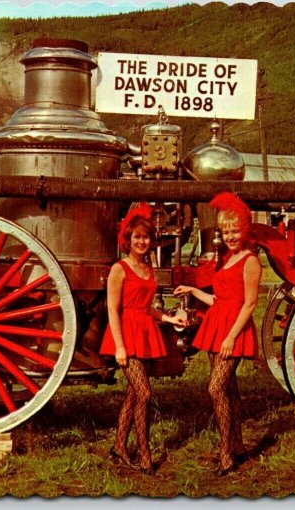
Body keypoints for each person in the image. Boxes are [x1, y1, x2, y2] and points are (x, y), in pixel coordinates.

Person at [173, 192, 261, 475]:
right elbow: (220, 300)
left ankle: (226, 455)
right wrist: (194, 291)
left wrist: (231, 338)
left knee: (215, 388)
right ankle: (236, 446)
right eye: (226, 231)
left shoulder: (250, 261)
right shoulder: (227, 258)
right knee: (230, 391)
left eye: (235, 230)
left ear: (244, 230)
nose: (231, 236)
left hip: (232, 331)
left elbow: (249, 305)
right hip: (216, 324)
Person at [100, 203, 186, 475]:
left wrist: (168, 319)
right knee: (145, 393)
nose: (141, 241)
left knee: (133, 395)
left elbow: (146, 307)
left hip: (146, 331)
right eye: (136, 237)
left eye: (145, 237)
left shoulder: (148, 269)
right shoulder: (119, 268)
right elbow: (113, 309)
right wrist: (121, 347)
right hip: (126, 334)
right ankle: (145, 454)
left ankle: (119, 447)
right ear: (128, 239)